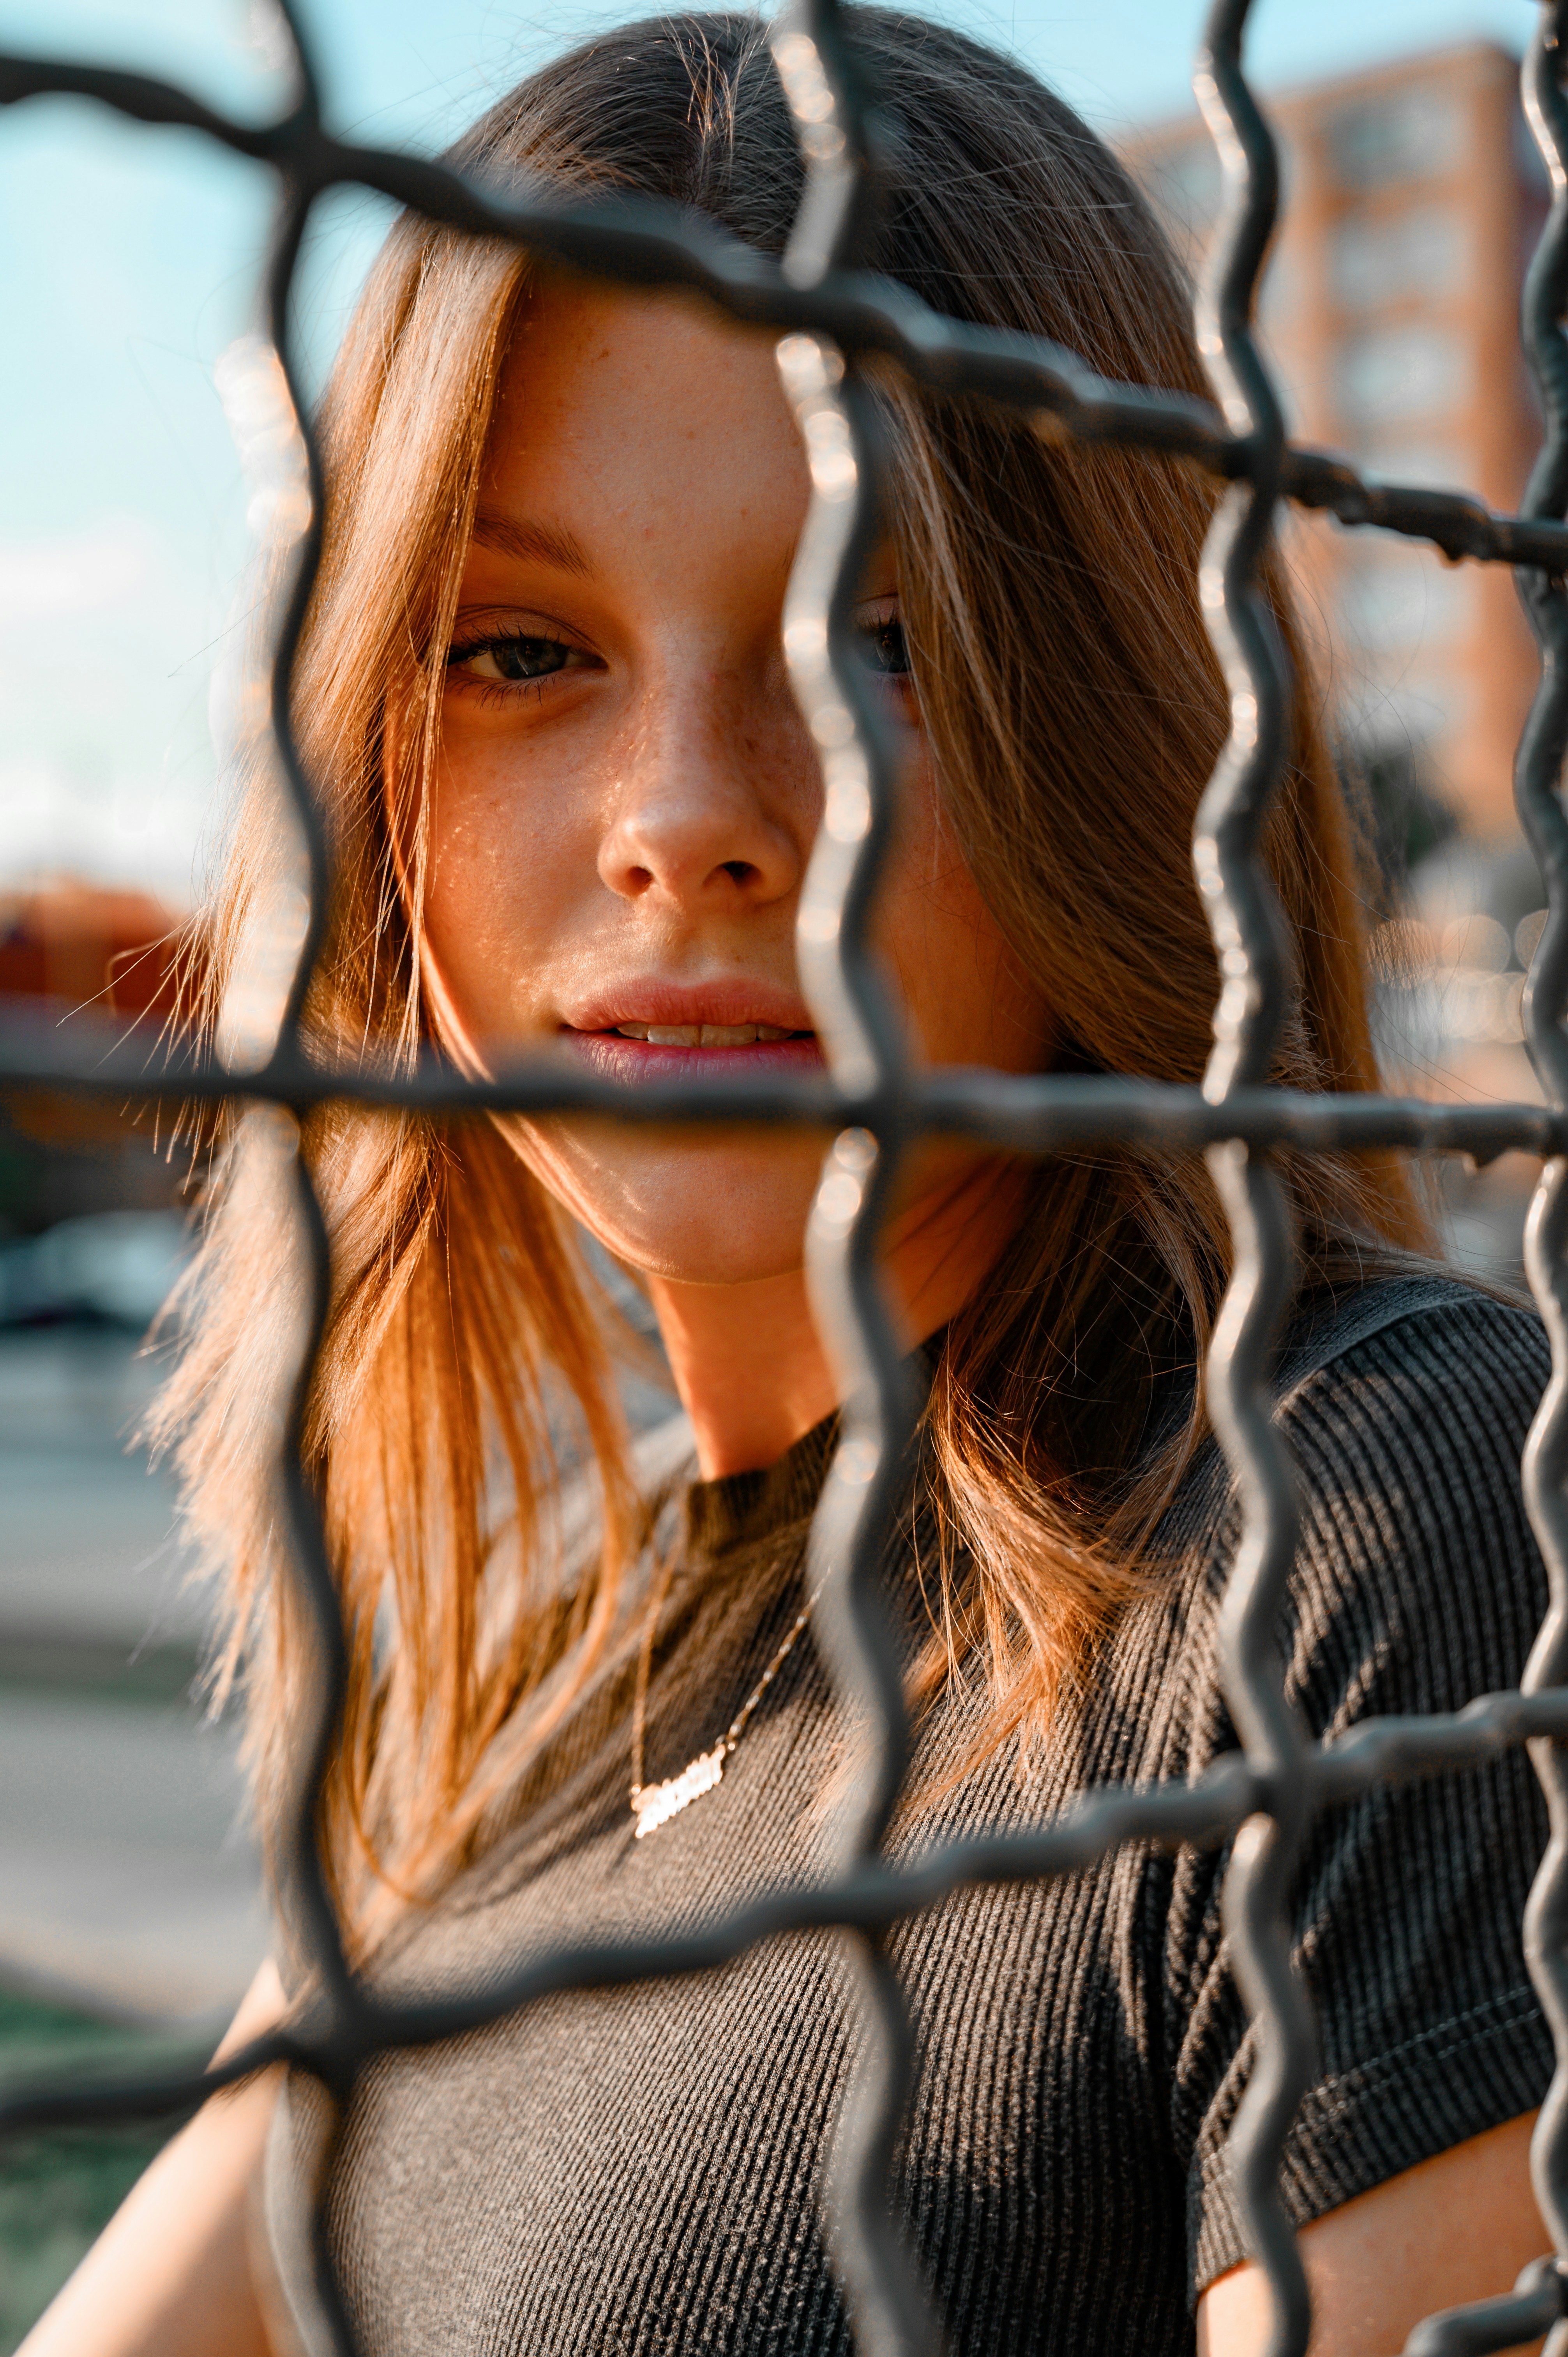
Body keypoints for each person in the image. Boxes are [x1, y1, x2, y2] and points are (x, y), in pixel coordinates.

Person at [21, 12, 1556, 2355]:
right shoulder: (562, 1648)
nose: (689, 815)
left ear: (1114, 735)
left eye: (880, 643)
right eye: (523, 650)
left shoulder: (1375, 1515)